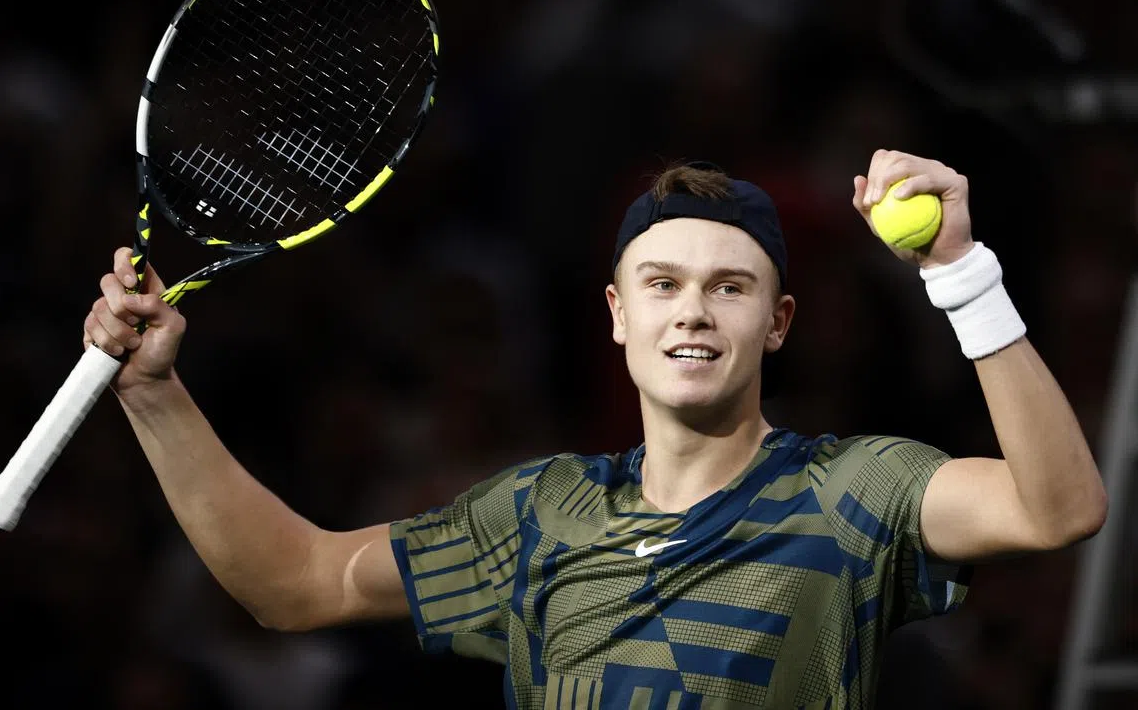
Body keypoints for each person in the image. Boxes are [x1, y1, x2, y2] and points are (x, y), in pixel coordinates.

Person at [84, 149, 1108, 709]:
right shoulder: (535, 512)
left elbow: (1058, 507)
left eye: (730, 287)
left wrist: (962, 279)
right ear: (617, 315)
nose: (693, 311)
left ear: (778, 321)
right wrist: (154, 396)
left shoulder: (857, 488)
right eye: (661, 284)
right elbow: (295, 582)